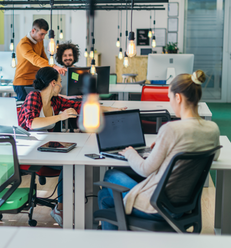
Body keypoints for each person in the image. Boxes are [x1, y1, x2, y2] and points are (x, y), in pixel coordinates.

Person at [98, 70, 221, 230]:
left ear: (178, 97)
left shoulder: (171, 129)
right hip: (183, 204)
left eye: (170, 98)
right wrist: (168, 151)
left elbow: (145, 170)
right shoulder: (212, 128)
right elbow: (214, 155)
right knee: (110, 192)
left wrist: (130, 153)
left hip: (156, 205)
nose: (170, 102)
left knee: (109, 179)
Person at [18, 67, 125, 227]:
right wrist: (60, 116)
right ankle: (61, 208)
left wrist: (113, 109)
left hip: (46, 148)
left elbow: (80, 105)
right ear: (53, 83)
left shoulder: (56, 100)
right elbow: (31, 123)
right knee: (67, 162)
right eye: (60, 82)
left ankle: (61, 207)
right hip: (27, 150)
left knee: (71, 161)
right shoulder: (34, 96)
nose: (61, 86)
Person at [13, 19, 67, 101]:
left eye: (45, 34)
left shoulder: (39, 41)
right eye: (41, 34)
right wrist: (53, 67)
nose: (43, 37)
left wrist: (54, 67)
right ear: (33, 30)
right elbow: (35, 59)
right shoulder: (24, 44)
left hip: (35, 81)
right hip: (22, 83)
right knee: (26, 111)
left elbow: (43, 59)